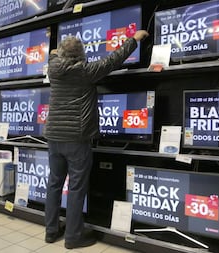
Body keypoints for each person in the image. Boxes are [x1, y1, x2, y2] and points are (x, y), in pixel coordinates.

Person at [43, 29, 149, 249]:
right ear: (82, 54)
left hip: (53, 137)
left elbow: (53, 54)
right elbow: (114, 59)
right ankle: (73, 237)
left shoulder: (53, 68)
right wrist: (134, 39)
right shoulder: (86, 71)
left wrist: (55, 52)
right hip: (77, 138)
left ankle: (51, 232)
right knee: (76, 188)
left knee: (54, 184)